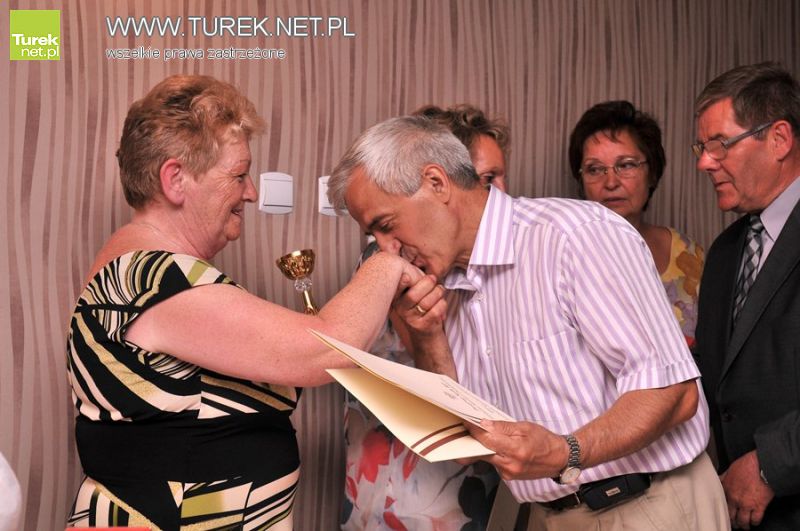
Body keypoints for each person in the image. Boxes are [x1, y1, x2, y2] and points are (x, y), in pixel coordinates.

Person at [327, 115, 729, 531]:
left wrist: (566, 452)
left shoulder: (575, 236)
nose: (388, 250)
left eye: (386, 226)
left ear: (436, 183)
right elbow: (463, 436)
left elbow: (674, 393)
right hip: (550, 515)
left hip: (649, 505)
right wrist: (427, 336)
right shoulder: (448, 281)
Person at [65, 75, 425, 530]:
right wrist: (386, 262)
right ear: (176, 179)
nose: (251, 191)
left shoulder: (149, 272)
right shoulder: (152, 278)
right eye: (238, 175)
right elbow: (325, 348)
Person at [342, 104, 508, 530]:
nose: (493, 193)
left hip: (478, 462)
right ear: (443, 179)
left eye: (498, 177)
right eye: (484, 178)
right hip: (409, 468)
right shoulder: (396, 258)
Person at [693, 62, 800, 530]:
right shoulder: (724, 252)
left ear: (779, 139)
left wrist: (770, 464)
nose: (704, 162)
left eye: (720, 144)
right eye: (701, 147)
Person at [568, 100, 704, 347]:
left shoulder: (688, 253)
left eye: (626, 165)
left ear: (652, 173)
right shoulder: (566, 257)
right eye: (595, 169)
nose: (611, 182)